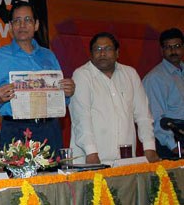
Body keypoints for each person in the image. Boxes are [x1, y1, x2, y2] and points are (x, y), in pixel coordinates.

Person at [0, 1, 75, 153]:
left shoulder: (49, 56)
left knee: (54, 176)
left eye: (27, 20)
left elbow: (61, 98)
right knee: (17, 177)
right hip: (15, 131)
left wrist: (67, 93)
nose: (22, 25)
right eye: (17, 21)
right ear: (10, 27)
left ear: (36, 25)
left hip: (49, 130)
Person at [69, 32, 159, 164]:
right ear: (91, 54)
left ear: (118, 53)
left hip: (126, 160)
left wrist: (149, 147)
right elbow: (81, 118)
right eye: (97, 49)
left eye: (108, 49)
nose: (102, 53)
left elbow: (143, 114)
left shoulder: (130, 74)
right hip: (91, 160)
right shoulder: (82, 75)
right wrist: (91, 152)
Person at [143, 28, 184, 159]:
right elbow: (155, 117)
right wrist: (172, 145)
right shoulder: (155, 78)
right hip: (172, 141)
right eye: (168, 47)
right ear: (162, 50)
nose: (173, 51)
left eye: (177, 46)